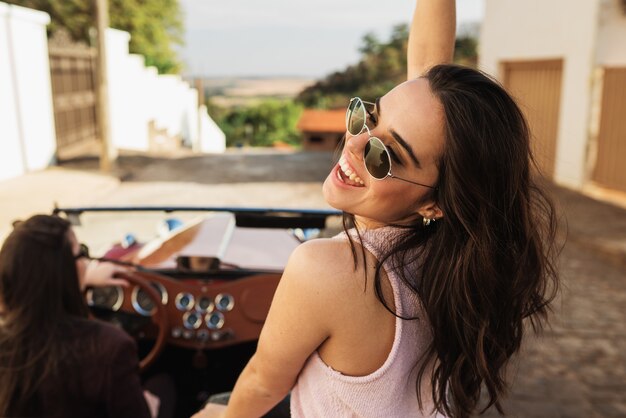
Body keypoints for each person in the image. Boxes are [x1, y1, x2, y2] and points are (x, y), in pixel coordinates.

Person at [193, 0, 559, 417]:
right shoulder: (458, 258)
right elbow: (428, 91)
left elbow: (261, 382)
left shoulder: (329, 269)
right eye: (369, 116)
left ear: (436, 202)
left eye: (385, 156)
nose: (353, 144)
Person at [0, 214, 170, 418]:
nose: (86, 261)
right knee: (164, 384)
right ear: (65, 271)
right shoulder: (110, 347)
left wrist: (83, 280)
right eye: (80, 253)